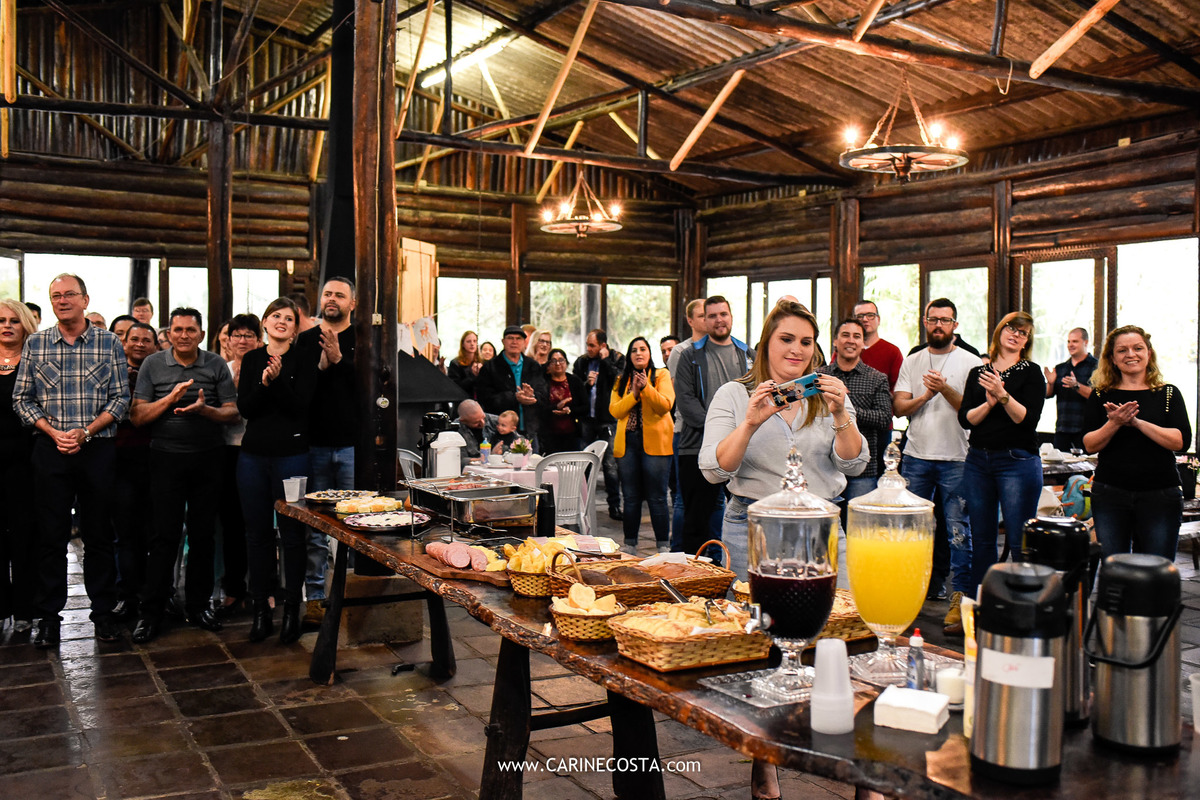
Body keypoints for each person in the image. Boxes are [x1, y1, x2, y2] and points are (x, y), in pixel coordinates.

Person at [699, 300, 867, 578]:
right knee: (752, 606)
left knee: (834, 605)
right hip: (752, 526)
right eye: (786, 339)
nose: (797, 349)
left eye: (806, 342)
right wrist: (750, 424)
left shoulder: (829, 396)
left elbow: (854, 464)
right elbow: (714, 472)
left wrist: (840, 414)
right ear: (766, 343)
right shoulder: (733, 395)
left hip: (820, 524)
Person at [13, 274, 130, 647]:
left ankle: (103, 614)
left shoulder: (109, 342)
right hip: (50, 449)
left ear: (85, 299)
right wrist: (53, 432)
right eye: (56, 296)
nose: (62, 301)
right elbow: (22, 399)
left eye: (69, 295)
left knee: (98, 535)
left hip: (96, 449)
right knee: (51, 537)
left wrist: (86, 432)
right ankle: (49, 618)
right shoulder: (36, 344)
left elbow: (121, 399)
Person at [129, 308, 239, 643]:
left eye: (191, 330)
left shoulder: (215, 364)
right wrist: (170, 399)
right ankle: (152, 611)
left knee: (203, 535)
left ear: (201, 335)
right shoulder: (153, 364)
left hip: (208, 458)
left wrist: (206, 410)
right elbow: (137, 416)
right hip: (165, 458)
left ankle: (198, 605)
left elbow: (232, 412)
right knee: (164, 536)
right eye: (177, 330)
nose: (184, 335)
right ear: (169, 334)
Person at [894, 299, 981, 633]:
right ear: (925, 322)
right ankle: (906, 592)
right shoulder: (913, 360)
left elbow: (972, 412)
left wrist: (943, 388)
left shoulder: (971, 362)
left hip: (957, 458)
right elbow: (900, 408)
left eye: (945, 320)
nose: (939, 325)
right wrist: (925, 396)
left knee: (959, 532)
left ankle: (959, 597)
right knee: (909, 530)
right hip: (916, 456)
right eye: (934, 319)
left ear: (955, 325)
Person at [237, 297, 318, 644]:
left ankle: (291, 613)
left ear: (295, 328)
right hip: (253, 456)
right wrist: (265, 383)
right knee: (257, 535)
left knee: (292, 536)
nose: (282, 321)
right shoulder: (252, 359)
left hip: (292, 456)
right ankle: (261, 611)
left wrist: (280, 379)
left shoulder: (304, 359)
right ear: (265, 322)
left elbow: (301, 407)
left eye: (289, 318)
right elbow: (246, 408)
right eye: (275, 316)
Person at [1083, 326, 1190, 559]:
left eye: (1138, 348)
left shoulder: (1168, 393)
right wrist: (1115, 422)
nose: (1130, 354)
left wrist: (1137, 423)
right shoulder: (1100, 395)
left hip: (1160, 494)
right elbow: (1089, 444)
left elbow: (1180, 441)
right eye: (1122, 350)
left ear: (1148, 353)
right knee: (1114, 566)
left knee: (1157, 568)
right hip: (1110, 493)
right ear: (1112, 358)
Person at [958, 311, 1046, 593]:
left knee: (1020, 540)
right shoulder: (978, 373)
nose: (1016, 335)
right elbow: (966, 419)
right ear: (999, 331)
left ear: (1027, 341)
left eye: (1023, 333)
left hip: (1016, 461)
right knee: (982, 539)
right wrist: (989, 403)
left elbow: (1027, 420)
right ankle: (980, 604)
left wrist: (1003, 394)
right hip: (978, 460)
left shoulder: (1032, 372)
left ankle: (1021, 604)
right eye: (1011, 328)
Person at [297, 277, 358, 630]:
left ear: (353, 303)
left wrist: (339, 360)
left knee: (355, 523)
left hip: (352, 445)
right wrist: (322, 365)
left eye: (339, 295)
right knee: (316, 527)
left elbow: (370, 387)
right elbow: (301, 391)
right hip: (315, 444)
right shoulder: (307, 340)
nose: (332, 299)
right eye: (327, 294)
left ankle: (352, 597)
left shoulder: (365, 339)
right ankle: (315, 600)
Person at [674, 295, 753, 558]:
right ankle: (692, 575)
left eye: (723, 314)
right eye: (712, 316)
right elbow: (686, 401)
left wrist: (739, 435)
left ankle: (729, 569)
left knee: (740, 518)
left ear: (731, 317)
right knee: (696, 522)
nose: (719, 320)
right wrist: (721, 431)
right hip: (697, 448)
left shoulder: (747, 354)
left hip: (742, 450)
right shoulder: (690, 356)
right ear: (704, 321)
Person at [111, 321, 158, 625]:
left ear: (155, 346)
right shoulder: (111, 372)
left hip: (157, 459)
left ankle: (157, 595)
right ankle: (127, 596)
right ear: (124, 343)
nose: (140, 344)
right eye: (134, 339)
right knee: (126, 533)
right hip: (121, 460)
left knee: (156, 533)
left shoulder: (161, 373)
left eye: (146, 340)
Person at [819, 318, 892, 510]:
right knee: (825, 525)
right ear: (835, 341)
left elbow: (884, 418)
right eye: (845, 335)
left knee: (860, 524)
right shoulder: (819, 377)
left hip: (863, 471)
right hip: (824, 468)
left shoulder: (877, 378)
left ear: (863, 343)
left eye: (856, 336)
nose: (850, 340)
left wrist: (845, 409)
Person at [610, 337, 675, 555]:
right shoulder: (621, 379)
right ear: (629, 356)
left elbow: (665, 406)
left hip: (656, 444)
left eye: (643, 349)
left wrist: (646, 388)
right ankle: (630, 545)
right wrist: (634, 394)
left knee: (657, 497)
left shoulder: (661, 375)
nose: (638, 353)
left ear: (649, 353)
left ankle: (663, 546)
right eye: (634, 350)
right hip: (628, 444)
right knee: (630, 497)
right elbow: (615, 411)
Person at [214, 313, 260, 616]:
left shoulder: (268, 366)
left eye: (249, 335)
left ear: (258, 340)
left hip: (258, 450)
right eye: (237, 335)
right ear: (228, 340)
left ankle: (263, 588)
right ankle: (233, 588)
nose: (242, 340)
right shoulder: (221, 369)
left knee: (258, 523)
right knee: (231, 523)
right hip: (227, 450)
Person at [0, 299, 39, 632]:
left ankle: (26, 608)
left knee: (25, 536)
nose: (7, 326)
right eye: (1, 320)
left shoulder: (37, 361)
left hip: (26, 461)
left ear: (26, 325)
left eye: (14, 320)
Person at [667, 298, 712, 550]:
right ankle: (679, 551)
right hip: (687, 431)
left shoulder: (721, 349)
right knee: (684, 499)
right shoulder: (681, 351)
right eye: (703, 315)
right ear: (691, 320)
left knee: (715, 500)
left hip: (717, 433)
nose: (709, 319)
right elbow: (682, 394)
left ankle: (712, 551)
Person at [573, 329, 625, 520]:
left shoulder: (617, 359)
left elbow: (619, 382)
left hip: (608, 420)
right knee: (584, 463)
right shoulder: (582, 362)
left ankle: (614, 506)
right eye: (587, 344)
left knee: (610, 465)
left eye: (592, 345)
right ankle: (581, 504)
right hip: (587, 419)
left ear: (603, 346)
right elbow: (575, 387)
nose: (588, 349)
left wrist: (605, 361)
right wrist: (586, 383)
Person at [476, 326, 543, 442]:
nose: (514, 342)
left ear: (524, 342)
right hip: (499, 432)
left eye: (518, 338)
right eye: (510, 338)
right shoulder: (490, 367)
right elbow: (485, 399)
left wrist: (532, 397)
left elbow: (544, 393)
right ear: (503, 341)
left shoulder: (533, 366)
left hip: (530, 430)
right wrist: (514, 397)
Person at [1045, 327, 1098, 452]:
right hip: (1062, 429)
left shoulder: (1096, 367)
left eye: (1075, 341)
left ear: (1086, 342)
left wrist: (1076, 386)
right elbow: (1047, 394)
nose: (1070, 345)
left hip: (1086, 431)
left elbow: (1098, 396)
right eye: (1068, 341)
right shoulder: (1061, 368)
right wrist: (1051, 383)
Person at [540, 348, 585, 454]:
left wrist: (569, 410)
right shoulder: (543, 382)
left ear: (566, 363)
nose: (558, 363)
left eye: (561, 360)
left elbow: (585, 407)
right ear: (549, 365)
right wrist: (556, 406)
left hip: (572, 434)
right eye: (554, 361)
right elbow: (540, 408)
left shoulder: (575, 381)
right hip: (549, 435)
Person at [854, 300, 904, 391]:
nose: (865, 319)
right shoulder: (844, 349)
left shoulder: (892, 351)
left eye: (870, 315)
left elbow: (899, 388)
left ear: (878, 319)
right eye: (860, 316)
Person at [448, 330, 483, 398]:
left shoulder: (482, 362)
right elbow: (455, 388)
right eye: (468, 341)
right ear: (463, 344)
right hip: (463, 399)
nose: (472, 344)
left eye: (474, 341)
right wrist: (472, 375)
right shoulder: (455, 363)